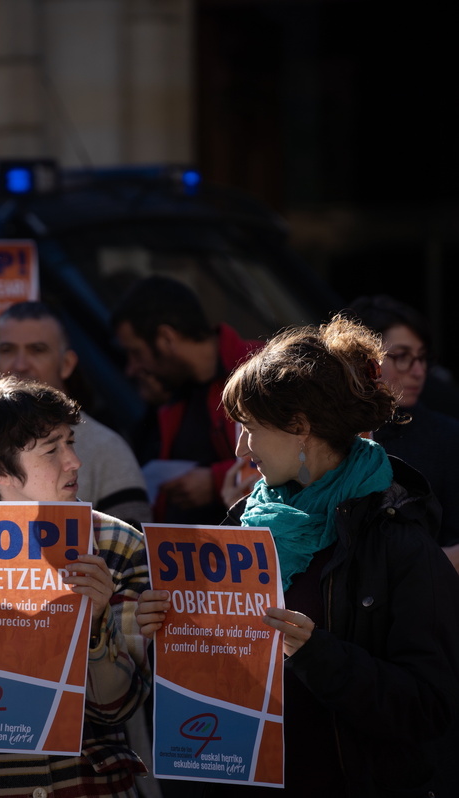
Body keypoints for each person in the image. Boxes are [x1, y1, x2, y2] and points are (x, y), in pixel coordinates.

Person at [135, 315, 459, 798]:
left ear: (300, 427)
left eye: (251, 429)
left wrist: (316, 653)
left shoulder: (399, 541)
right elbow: (211, 678)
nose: (242, 448)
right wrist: (165, 631)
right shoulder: (243, 523)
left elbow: (428, 707)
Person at [0, 375, 150, 797]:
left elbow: (119, 706)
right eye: (52, 449)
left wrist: (97, 621)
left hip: (78, 785)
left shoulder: (117, 545)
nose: (74, 462)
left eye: (71, 442)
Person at [0, 300, 151, 530]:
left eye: (37, 350)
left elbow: (134, 556)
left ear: (67, 364)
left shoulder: (108, 448)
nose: (20, 365)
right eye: (7, 350)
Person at [111, 276, 262, 525]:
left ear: (166, 338)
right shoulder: (172, 393)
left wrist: (215, 482)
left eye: (136, 352)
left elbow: (299, 455)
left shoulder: (262, 369)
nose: (131, 368)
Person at [348, 294, 459, 568]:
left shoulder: (446, 436)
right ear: (362, 361)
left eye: (422, 358)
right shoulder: (330, 432)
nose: (418, 371)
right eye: (402, 357)